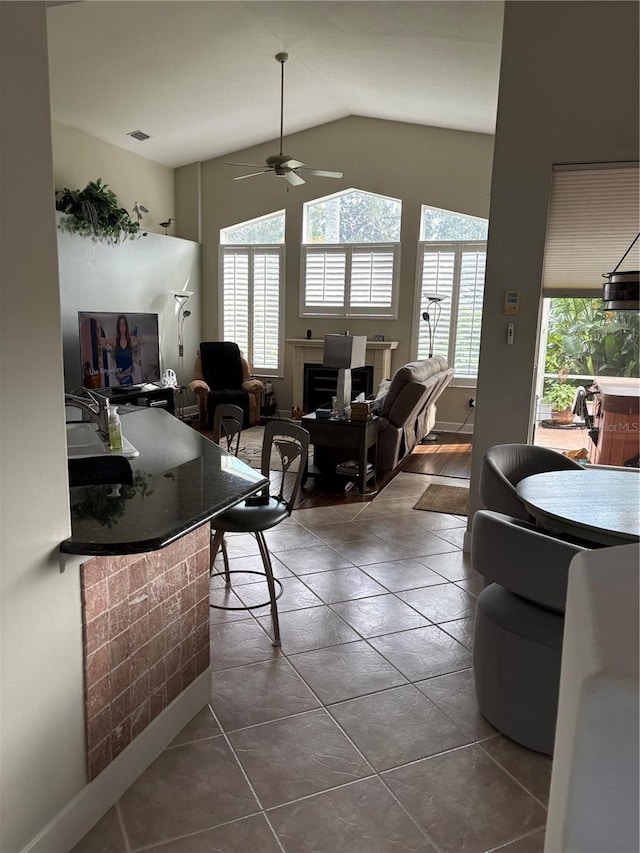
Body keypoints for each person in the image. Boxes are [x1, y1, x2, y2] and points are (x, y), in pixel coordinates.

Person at [101, 315, 142, 386]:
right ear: (118, 327)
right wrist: (108, 349)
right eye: (120, 325)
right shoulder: (114, 340)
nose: (122, 327)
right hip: (119, 377)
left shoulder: (131, 339)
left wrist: (139, 343)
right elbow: (102, 341)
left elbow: (141, 340)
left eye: (124, 325)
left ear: (126, 326)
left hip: (131, 374)